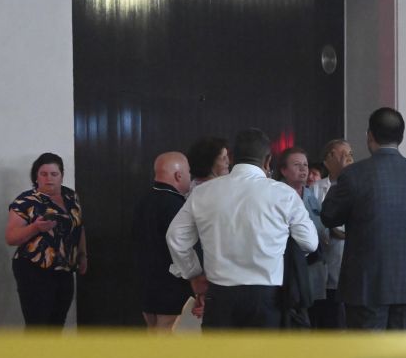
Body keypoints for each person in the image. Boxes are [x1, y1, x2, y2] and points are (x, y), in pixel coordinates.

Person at [166, 128, 318, 329]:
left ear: (230, 157)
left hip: (220, 296)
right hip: (268, 298)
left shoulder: (203, 193)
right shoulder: (284, 194)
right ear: (267, 161)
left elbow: (176, 237)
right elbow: (310, 242)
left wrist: (193, 273)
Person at [321, 108, 406, 330]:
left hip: (366, 286)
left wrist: (337, 176)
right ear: (401, 137)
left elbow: (329, 216)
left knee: (368, 356)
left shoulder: (354, 175)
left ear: (370, 135)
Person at [5, 152, 87, 328]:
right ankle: (35, 356)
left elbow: (79, 227)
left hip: (64, 269)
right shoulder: (25, 201)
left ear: (62, 176)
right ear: (36, 176)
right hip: (34, 269)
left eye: (54, 174)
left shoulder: (71, 196)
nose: (49, 178)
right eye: (44, 174)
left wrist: (82, 255)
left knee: (57, 323)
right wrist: (35, 227)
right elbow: (11, 237)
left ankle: (52, 356)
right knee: (38, 326)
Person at [132, 152, 193, 332]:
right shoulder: (176, 206)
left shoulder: (142, 201)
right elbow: (183, 250)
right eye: (189, 172)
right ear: (178, 175)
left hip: (146, 291)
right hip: (171, 292)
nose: (191, 177)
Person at [277, 147, 328, 321]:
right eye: (297, 165)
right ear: (283, 170)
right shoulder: (276, 194)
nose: (303, 169)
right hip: (288, 267)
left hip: (313, 265)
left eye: (305, 165)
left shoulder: (310, 195)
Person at [309, 139, 354, 329]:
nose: (348, 158)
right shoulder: (316, 187)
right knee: (328, 312)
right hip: (324, 254)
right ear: (329, 157)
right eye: (342, 154)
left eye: (350, 153)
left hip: (347, 256)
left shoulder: (356, 183)